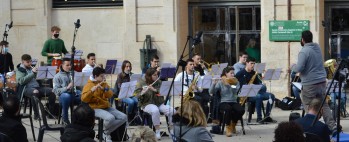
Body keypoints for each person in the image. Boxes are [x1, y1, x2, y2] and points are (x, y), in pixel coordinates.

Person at [291, 30, 337, 133]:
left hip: (310, 84)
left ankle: (312, 129)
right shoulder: (317, 47)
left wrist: (292, 66)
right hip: (321, 82)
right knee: (323, 105)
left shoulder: (304, 51)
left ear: (302, 39)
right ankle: (332, 127)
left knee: (309, 106)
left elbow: (299, 68)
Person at [81, 67, 127, 142]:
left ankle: (105, 132)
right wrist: (91, 91)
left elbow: (110, 95)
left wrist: (104, 89)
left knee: (124, 117)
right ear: (95, 76)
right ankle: (104, 134)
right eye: (101, 76)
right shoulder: (88, 85)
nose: (103, 78)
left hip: (105, 106)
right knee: (110, 118)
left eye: (104, 76)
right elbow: (84, 99)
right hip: (94, 107)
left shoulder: (104, 84)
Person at [134, 68, 175, 140]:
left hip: (158, 103)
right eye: (154, 75)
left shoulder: (158, 82)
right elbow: (136, 94)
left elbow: (163, 92)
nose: (157, 76)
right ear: (149, 76)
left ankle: (171, 130)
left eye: (157, 75)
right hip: (146, 104)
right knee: (155, 110)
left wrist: (155, 90)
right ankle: (157, 132)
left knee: (172, 110)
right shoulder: (141, 82)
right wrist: (142, 92)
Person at [16, 54, 56, 120]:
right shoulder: (20, 70)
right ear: (23, 62)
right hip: (26, 89)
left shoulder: (31, 68)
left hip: (37, 87)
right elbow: (21, 81)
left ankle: (50, 113)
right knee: (35, 92)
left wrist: (42, 75)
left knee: (52, 91)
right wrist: (33, 73)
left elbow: (38, 79)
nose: (30, 63)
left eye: (30, 61)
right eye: (27, 62)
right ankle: (36, 115)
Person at [235, 57, 275, 122]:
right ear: (247, 63)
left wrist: (261, 84)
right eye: (251, 63)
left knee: (271, 96)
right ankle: (259, 118)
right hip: (246, 95)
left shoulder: (254, 73)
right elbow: (239, 87)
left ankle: (267, 116)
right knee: (259, 96)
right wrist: (249, 86)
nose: (253, 65)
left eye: (254, 64)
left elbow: (260, 86)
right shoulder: (240, 73)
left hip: (255, 92)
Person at [209, 67, 244, 137]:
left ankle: (233, 124)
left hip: (233, 101)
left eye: (233, 73)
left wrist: (230, 85)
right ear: (226, 73)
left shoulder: (236, 81)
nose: (233, 74)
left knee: (241, 110)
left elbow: (235, 92)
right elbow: (211, 92)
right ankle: (228, 127)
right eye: (231, 73)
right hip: (223, 101)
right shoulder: (221, 82)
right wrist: (213, 84)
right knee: (228, 109)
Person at [53, 58, 82, 124]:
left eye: (70, 65)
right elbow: (56, 91)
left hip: (73, 93)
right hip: (63, 96)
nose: (69, 67)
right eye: (67, 65)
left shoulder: (73, 73)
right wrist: (67, 87)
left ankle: (81, 119)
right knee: (66, 96)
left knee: (84, 94)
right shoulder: (57, 76)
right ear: (62, 65)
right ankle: (65, 119)